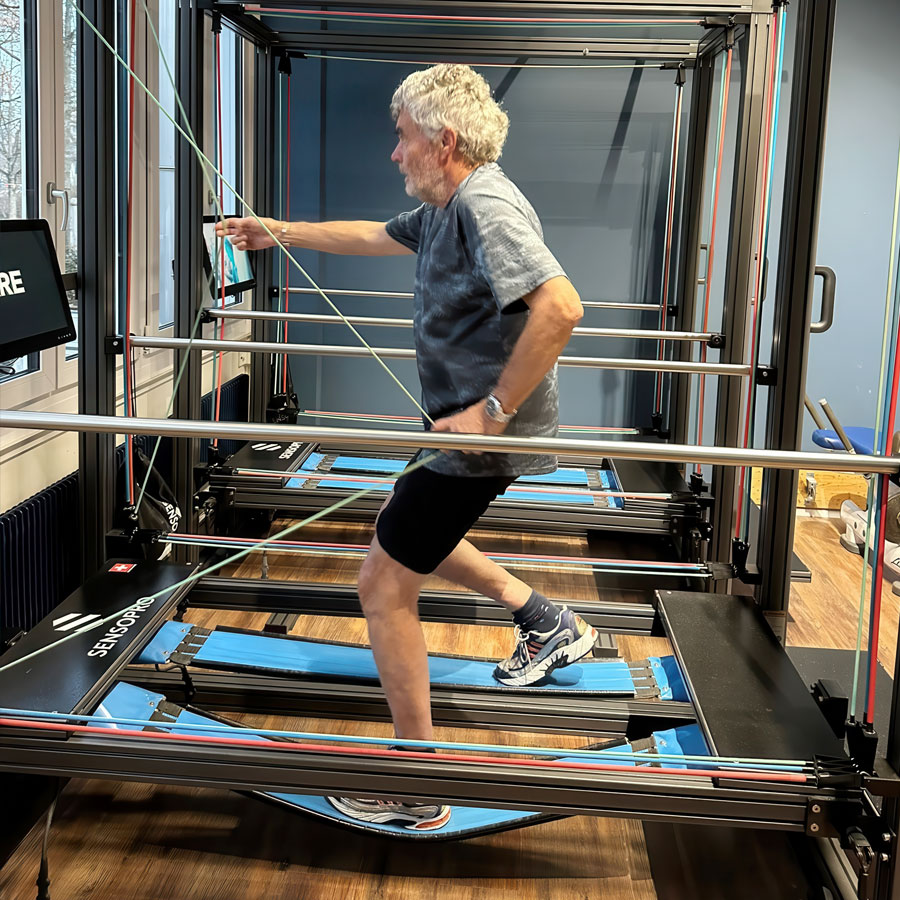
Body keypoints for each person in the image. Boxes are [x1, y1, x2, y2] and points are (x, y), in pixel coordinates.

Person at [218, 63, 594, 831]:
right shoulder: (446, 205)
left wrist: (493, 411)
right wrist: (277, 231)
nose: (395, 152)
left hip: (483, 439)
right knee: (409, 528)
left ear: (442, 141)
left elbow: (561, 307)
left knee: (382, 585)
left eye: (403, 137)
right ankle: (544, 618)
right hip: (463, 430)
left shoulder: (484, 203)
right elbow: (371, 234)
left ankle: (418, 783)